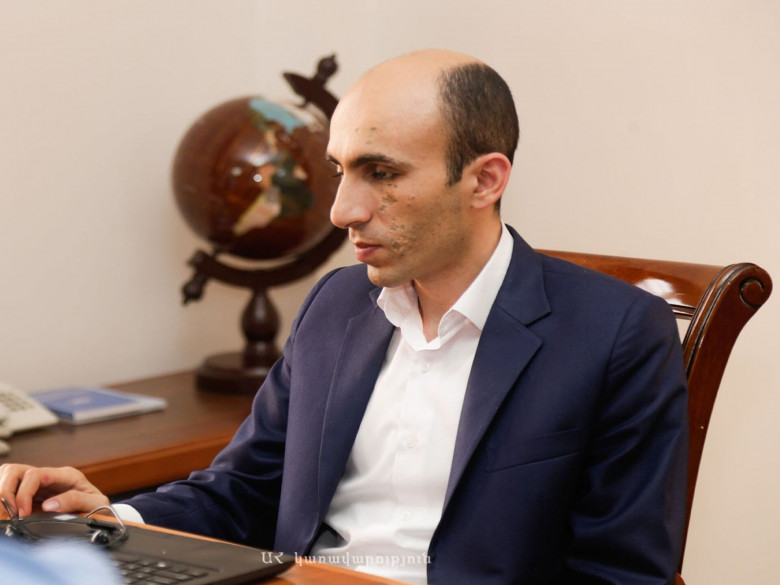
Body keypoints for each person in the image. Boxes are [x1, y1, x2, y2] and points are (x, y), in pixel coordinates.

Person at [0, 49, 688, 584]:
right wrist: (108, 517)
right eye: (339, 171)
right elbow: (246, 487)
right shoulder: (337, 302)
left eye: (381, 173)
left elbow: (621, 572)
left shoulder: (617, 333)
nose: (341, 211)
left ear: (484, 180)